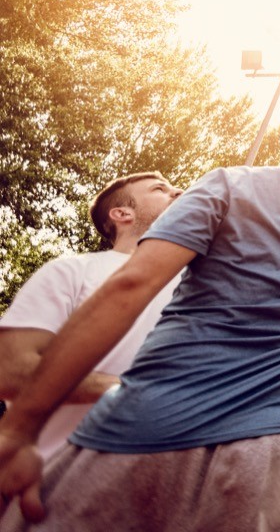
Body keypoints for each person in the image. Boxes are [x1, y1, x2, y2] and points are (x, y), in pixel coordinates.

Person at [0, 88, 280, 532]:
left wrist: (20, 426)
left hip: (153, 420)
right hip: (273, 449)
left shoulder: (229, 185)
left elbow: (131, 284)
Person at [0, 173, 184, 460]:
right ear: (122, 213)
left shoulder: (203, 283)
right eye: (161, 189)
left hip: (174, 487)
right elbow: (8, 369)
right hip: (58, 480)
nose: (178, 192)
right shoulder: (72, 271)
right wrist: (135, 390)